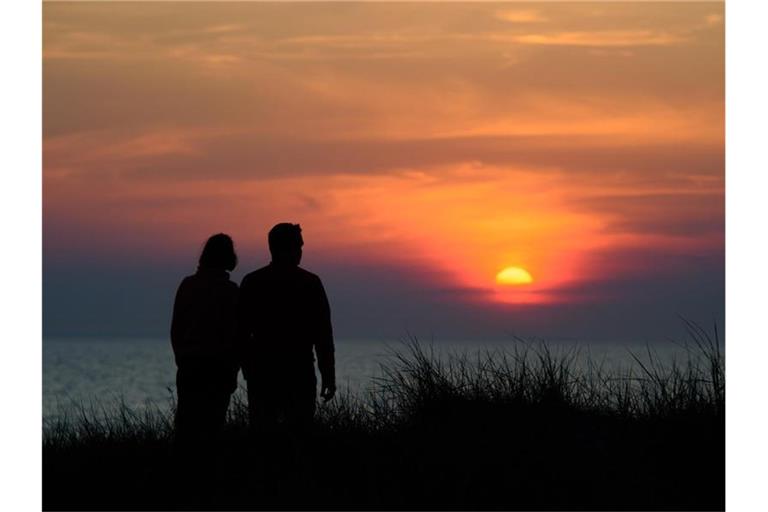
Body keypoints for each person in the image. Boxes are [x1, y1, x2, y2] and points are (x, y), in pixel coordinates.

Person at [238, 223, 336, 436]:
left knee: (264, 435)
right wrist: (328, 375)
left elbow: (240, 333)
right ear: (287, 249)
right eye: (298, 246)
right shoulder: (310, 283)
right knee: (298, 435)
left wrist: (248, 369)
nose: (301, 252)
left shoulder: (253, 282)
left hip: (263, 373)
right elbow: (323, 334)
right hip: (297, 372)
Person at [170, 233, 240, 447]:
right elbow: (236, 335)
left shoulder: (188, 285)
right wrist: (234, 368)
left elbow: (176, 330)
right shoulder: (230, 291)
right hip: (219, 367)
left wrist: (182, 358)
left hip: (190, 365)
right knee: (213, 426)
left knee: (186, 426)